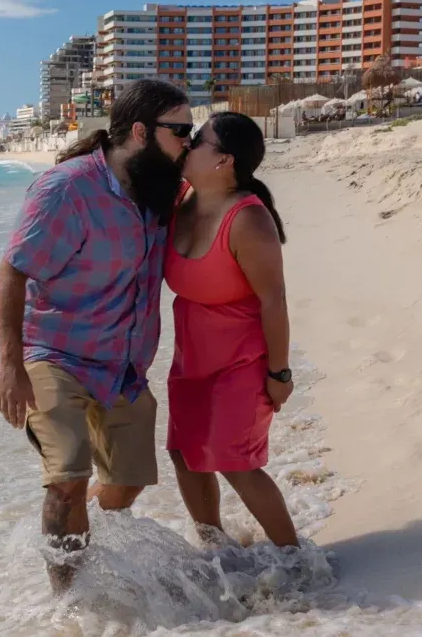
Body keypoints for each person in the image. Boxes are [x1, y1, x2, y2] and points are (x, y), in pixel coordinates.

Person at [0, 79, 193, 592]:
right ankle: (68, 600)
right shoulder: (66, 188)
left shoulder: (159, 190)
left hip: (123, 366)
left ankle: (83, 539)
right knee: (67, 478)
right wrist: (10, 365)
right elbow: (12, 273)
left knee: (126, 482)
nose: (187, 142)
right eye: (180, 131)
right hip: (55, 354)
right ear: (141, 131)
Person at [164, 112, 299, 549]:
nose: (188, 143)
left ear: (224, 160)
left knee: (234, 461)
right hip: (191, 355)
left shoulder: (247, 219)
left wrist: (280, 374)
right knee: (185, 454)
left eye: (198, 139)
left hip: (242, 359)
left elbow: (274, 302)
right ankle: (216, 549)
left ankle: (296, 561)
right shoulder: (181, 198)